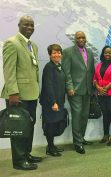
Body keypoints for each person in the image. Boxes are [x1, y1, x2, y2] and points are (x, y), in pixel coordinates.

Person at [1, 15, 42, 170]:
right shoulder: (12, 43)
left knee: (29, 125)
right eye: (26, 25)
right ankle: (19, 161)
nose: (30, 27)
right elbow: (8, 70)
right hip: (18, 95)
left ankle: (26, 154)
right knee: (18, 127)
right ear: (19, 25)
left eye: (32, 25)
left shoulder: (34, 45)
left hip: (32, 93)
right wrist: (12, 93)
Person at [61, 31, 95, 154]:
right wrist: (69, 87)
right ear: (75, 39)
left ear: (86, 39)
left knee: (84, 115)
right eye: (78, 37)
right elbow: (66, 71)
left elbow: (90, 71)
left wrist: (93, 88)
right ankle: (77, 143)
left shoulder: (90, 52)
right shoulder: (68, 52)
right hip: (74, 90)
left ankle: (81, 138)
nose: (81, 39)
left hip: (87, 90)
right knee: (77, 116)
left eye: (83, 37)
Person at [40, 44, 65, 157]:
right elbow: (48, 86)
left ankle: (52, 145)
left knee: (54, 124)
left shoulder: (59, 65)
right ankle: (50, 148)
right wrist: (53, 102)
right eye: (54, 53)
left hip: (58, 101)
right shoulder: (49, 67)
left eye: (59, 52)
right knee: (50, 124)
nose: (57, 55)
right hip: (50, 102)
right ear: (50, 55)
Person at [93, 46, 111, 146]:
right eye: (105, 53)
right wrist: (98, 87)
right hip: (101, 94)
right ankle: (106, 135)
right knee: (105, 114)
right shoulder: (99, 65)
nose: (107, 54)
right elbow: (94, 78)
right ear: (103, 54)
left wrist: (105, 88)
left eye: (109, 53)